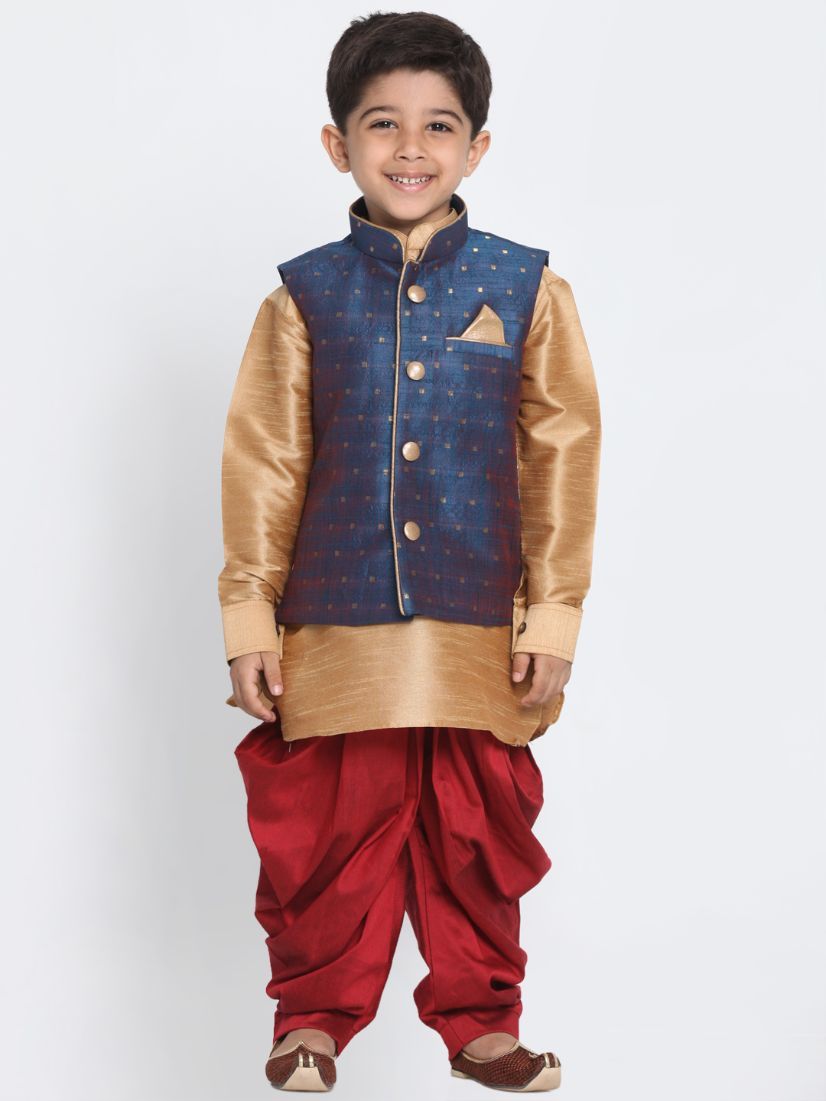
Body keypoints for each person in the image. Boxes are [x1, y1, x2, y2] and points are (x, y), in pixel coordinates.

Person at [218, 11, 601, 1093]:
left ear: (477, 146)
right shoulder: (301, 296)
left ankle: (481, 1022)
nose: (410, 148)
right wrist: (248, 620)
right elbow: (265, 462)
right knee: (327, 832)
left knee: (474, 827)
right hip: (332, 613)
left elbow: (562, 457)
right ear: (337, 143)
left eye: (439, 126)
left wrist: (555, 616)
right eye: (381, 123)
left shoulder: (528, 289)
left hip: (480, 614)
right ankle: (310, 1020)